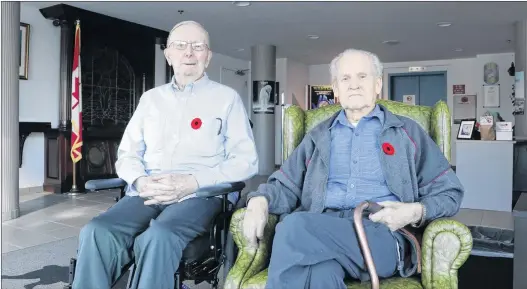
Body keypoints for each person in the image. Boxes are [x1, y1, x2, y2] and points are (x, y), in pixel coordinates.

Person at [242, 49, 464, 289]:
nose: (354, 85)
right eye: (345, 79)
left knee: (292, 228)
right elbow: (286, 186)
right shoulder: (317, 136)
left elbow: (450, 192)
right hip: (322, 226)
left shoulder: (406, 133)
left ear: (378, 84)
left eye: (362, 77)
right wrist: (260, 200)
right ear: (335, 89)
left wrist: (414, 212)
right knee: (320, 274)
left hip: (381, 232)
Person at [72, 21, 258, 289]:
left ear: (208, 56)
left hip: (200, 194)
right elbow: (127, 154)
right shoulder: (150, 99)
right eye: (180, 46)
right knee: (97, 230)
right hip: (149, 191)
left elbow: (246, 160)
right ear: (168, 55)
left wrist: (193, 182)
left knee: (159, 235)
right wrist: (140, 181)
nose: (189, 53)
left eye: (198, 46)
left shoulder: (227, 99)